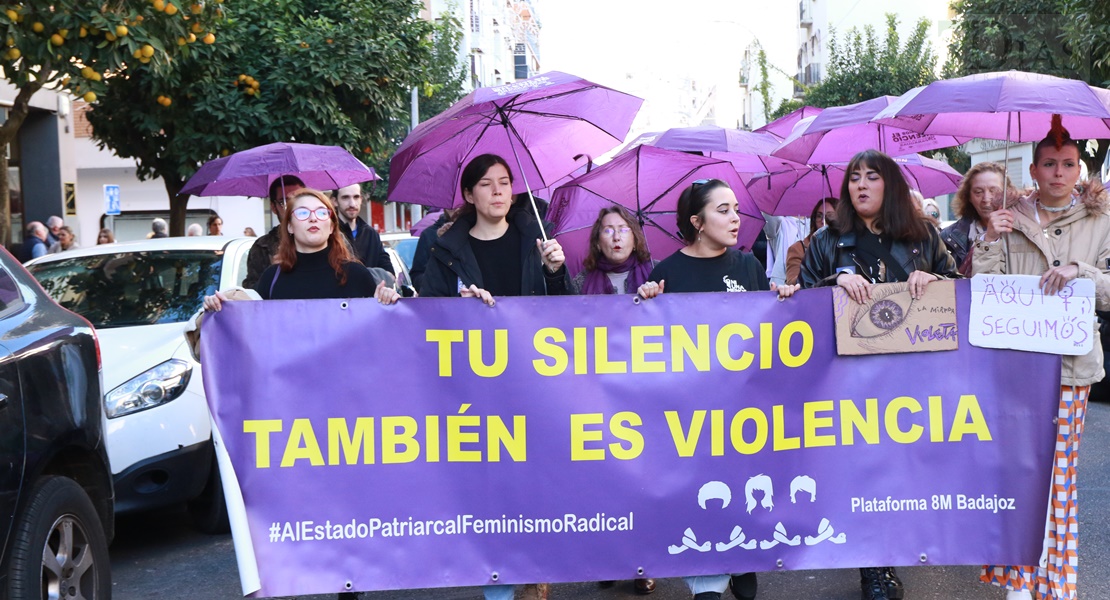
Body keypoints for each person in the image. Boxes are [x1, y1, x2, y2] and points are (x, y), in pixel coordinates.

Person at [800, 149, 957, 600]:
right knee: (863, 473)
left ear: (889, 185)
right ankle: (874, 568)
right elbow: (801, 309)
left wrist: (934, 281)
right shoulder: (827, 241)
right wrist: (833, 286)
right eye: (854, 178)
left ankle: (901, 550)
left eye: (871, 177)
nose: (861, 185)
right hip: (849, 380)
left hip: (913, 378)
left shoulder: (924, 235)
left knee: (905, 472)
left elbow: (958, 292)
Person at [639, 179, 798, 600]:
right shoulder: (667, 274)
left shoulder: (747, 266)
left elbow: (764, 334)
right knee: (704, 520)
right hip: (689, 426)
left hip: (743, 422)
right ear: (697, 221)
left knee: (744, 551)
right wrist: (645, 303)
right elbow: (645, 348)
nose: (734, 219)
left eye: (735, 209)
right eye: (723, 210)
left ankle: (742, 573)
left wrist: (781, 299)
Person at [973, 117, 1110, 600]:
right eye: (1049, 163)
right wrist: (990, 237)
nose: (1058, 172)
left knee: (1060, 478)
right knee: (1017, 471)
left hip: (1072, 370)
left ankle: (1056, 582)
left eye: (1068, 164)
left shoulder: (1102, 220)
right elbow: (983, 286)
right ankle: (1017, 581)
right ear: (1033, 169)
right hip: (1017, 368)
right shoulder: (1009, 218)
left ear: (1080, 169)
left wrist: (1083, 271)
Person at [569, 205, 656, 596]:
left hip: (646, 396)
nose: (617, 236)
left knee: (643, 480)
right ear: (597, 239)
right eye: (607, 230)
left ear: (635, 236)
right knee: (604, 481)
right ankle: (608, 556)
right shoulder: (581, 282)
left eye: (623, 229)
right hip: (599, 396)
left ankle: (644, 563)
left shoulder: (658, 278)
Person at [203, 188, 398, 309]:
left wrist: (387, 302)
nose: (313, 218)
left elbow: (378, 335)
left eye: (322, 213)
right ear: (289, 226)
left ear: (331, 226)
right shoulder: (272, 279)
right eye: (303, 212)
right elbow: (249, 332)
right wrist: (218, 310)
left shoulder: (356, 274)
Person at [419, 154, 568, 303]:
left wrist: (555, 273)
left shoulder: (538, 241)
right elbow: (429, 312)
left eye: (504, 183)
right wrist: (461, 306)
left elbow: (568, 310)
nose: (497, 191)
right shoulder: (447, 251)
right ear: (469, 195)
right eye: (485, 184)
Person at [941, 161, 1015, 276]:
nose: (986, 199)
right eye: (978, 192)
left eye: (994, 191)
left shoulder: (1023, 230)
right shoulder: (948, 237)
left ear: (1008, 193)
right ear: (968, 196)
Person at [244, 175, 305, 288]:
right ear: (273, 207)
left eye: (298, 199)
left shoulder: (327, 237)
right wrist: (273, 273)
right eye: (284, 202)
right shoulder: (262, 247)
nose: (292, 206)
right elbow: (251, 294)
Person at [333, 183, 392, 273]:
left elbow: (389, 273)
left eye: (356, 197)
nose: (352, 204)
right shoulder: (329, 234)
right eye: (345, 197)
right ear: (335, 201)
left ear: (361, 199)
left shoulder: (371, 234)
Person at [784, 197, 837, 285]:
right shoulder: (798, 249)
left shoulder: (846, 246)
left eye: (830, 215)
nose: (823, 221)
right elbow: (794, 283)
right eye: (819, 216)